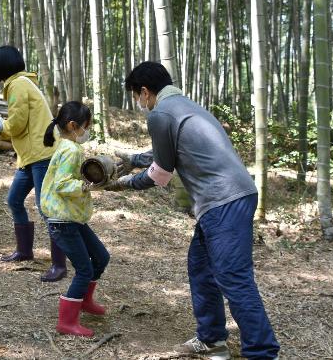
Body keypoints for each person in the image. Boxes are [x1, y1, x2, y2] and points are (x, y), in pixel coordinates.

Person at [108, 62, 279, 360]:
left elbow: (161, 173)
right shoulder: (184, 105)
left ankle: (263, 352)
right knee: (201, 269)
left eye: (137, 96)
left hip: (223, 200)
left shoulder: (160, 113)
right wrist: (133, 157)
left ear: (145, 92)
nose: (139, 103)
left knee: (233, 278)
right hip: (229, 197)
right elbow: (169, 150)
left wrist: (125, 183)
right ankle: (212, 339)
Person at [0, 46, 67, 282]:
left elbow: (19, 123)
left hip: (42, 154)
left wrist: (3, 126)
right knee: (14, 200)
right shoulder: (21, 82)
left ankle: (59, 264)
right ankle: (24, 250)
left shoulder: (19, 85)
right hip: (30, 156)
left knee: (46, 208)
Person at [40, 101, 110, 337]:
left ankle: (84, 301)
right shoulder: (71, 149)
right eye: (86, 127)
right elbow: (62, 184)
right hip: (63, 220)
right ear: (73, 126)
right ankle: (66, 321)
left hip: (72, 218)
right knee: (84, 270)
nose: (86, 131)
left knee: (101, 257)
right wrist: (84, 185)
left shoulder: (66, 146)